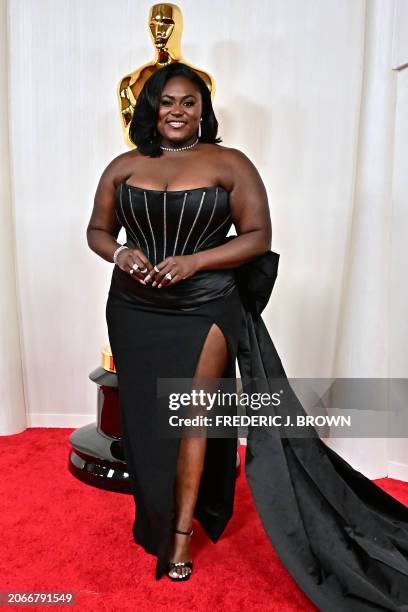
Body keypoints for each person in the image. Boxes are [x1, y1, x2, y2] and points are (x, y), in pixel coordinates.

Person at [87, 62, 408, 608]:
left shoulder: (230, 162)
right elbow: (97, 229)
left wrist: (195, 262)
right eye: (167, 102)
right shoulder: (122, 165)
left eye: (189, 102)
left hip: (205, 304)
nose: (178, 111)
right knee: (146, 416)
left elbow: (259, 235)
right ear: (151, 109)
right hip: (135, 306)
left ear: (203, 110)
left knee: (190, 414)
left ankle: (182, 536)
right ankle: (157, 518)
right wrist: (120, 252)